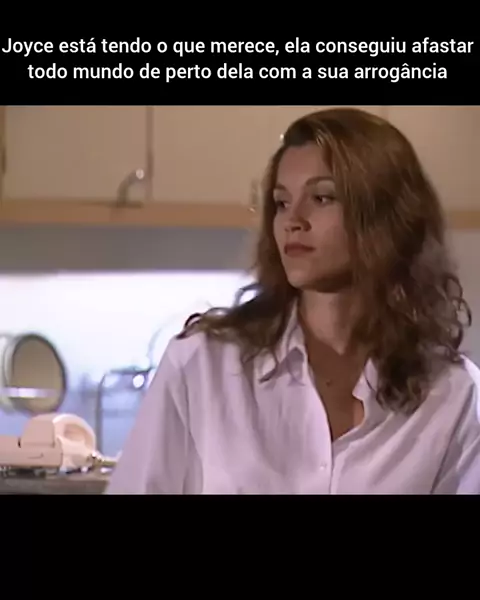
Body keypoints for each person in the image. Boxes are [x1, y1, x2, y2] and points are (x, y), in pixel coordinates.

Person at [106, 107, 480, 494]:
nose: (293, 220)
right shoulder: (202, 365)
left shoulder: (451, 392)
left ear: (386, 217)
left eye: (322, 197)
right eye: (282, 202)